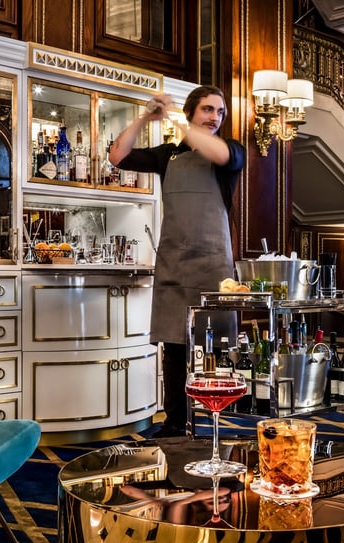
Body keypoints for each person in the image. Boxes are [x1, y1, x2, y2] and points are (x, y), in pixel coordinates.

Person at [109, 86, 246, 437]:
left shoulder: (231, 151)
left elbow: (217, 152)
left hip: (213, 266)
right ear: (191, 112)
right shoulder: (167, 155)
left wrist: (173, 117)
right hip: (174, 261)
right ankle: (174, 423)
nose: (215, 117)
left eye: (220, 112)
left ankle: (218, 418)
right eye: (207, 109)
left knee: (216, 346)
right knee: (173, 347)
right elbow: (118, 156)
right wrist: (146, 117)